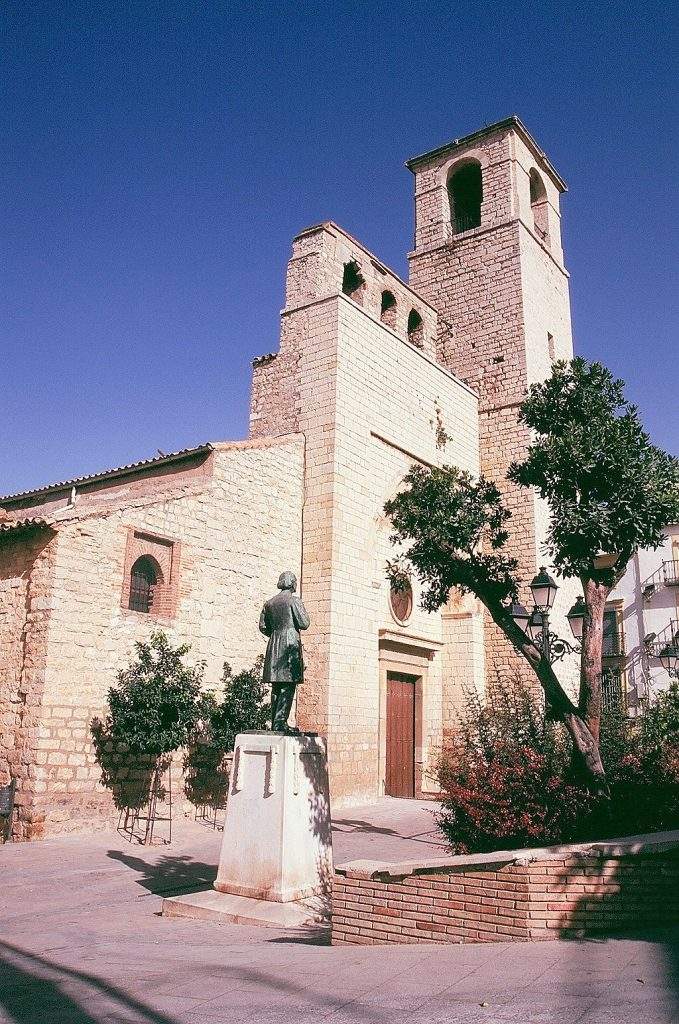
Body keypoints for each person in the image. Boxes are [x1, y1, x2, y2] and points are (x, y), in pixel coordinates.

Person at [258, 571, 310, 733]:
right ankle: (280, 723)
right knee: (288, 685)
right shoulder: (294, 601)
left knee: (276, 685)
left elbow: (263, 627)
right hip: (289, 645)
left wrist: (276, 633)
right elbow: (304, 623)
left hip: (274, 644)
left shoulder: (269, 603)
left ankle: (276, 722)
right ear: (292, 583)